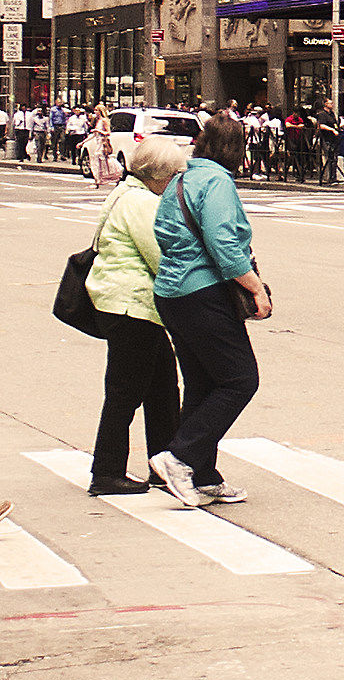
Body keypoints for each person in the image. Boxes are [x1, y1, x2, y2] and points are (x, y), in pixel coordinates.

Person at [149, 113, 271, 509]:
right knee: (240, 379)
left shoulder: (181, 178)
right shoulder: (217, 180)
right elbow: (224, 243)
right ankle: (180, 457)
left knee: (203, 384)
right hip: (202, 292)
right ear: (236, 148)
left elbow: (163, 233)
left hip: (172, 293)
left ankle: (203, 475)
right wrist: (256, 289)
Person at [84, 138, 189, 495]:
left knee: (161, 388)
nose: (178, 180)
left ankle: (166, 464)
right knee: (125, 392)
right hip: (132, 305)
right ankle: (107, 471)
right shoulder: (143, 203)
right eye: (176, 174)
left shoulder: (125, 192)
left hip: (127, 304)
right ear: (160, 175)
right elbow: (161, 257)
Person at [86, 103, 116, 189]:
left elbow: (108, 132)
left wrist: (98, 131)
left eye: (96, 110)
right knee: (97, 162)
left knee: (104, 161)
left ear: (100, 111)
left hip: (103, 143)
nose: (95, 112)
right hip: (97, 143)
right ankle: (97, 181)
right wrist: (83, 142)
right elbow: (93, 135)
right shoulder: (97, 121)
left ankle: (116, 175)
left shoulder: (104, 120)